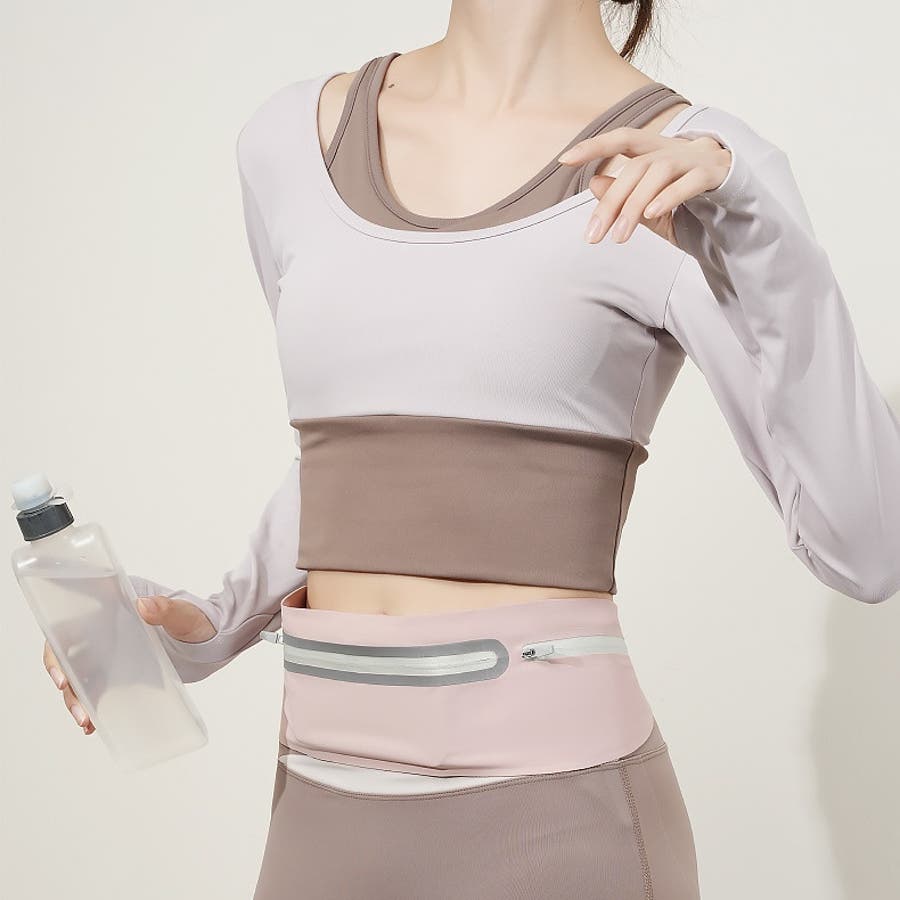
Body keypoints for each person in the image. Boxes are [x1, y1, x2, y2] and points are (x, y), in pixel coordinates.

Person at [43, 1, 900, 897]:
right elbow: (364, 468)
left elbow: (867, 549)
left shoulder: (688, 164)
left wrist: (755, 234)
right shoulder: (289, 141)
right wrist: (212, 623)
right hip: (320, 811)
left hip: (562, 822)